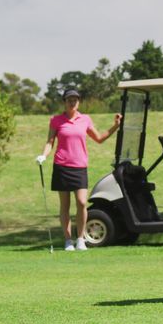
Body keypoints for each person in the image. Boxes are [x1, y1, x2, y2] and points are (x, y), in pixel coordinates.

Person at [36, 89, 121, 251]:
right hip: (61, 166)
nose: (72, 102)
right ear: (64, 102)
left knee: (82, 203)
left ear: (79, 102)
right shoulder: (56, 120)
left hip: (79, 167)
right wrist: (44, 155)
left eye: (75, 99)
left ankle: (80, 239)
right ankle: (68, 240)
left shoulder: (85, 119)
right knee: (65, 206)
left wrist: (115, 126)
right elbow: (50, 142)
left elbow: (99, 139)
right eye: (69, 99)